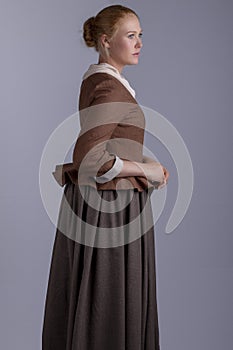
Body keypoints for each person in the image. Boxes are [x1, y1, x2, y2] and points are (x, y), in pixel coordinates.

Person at [42, 4, 169, 350]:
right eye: (130, 36)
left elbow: (110, 141)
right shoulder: (110, 88)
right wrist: (147, 170)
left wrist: (145, 162)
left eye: (140, 35)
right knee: (109, 300)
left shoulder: (99, 80)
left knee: (100, 299)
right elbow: (91, 159)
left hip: (101, 204)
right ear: (105, 42)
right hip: (112, 207)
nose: (139, 42)